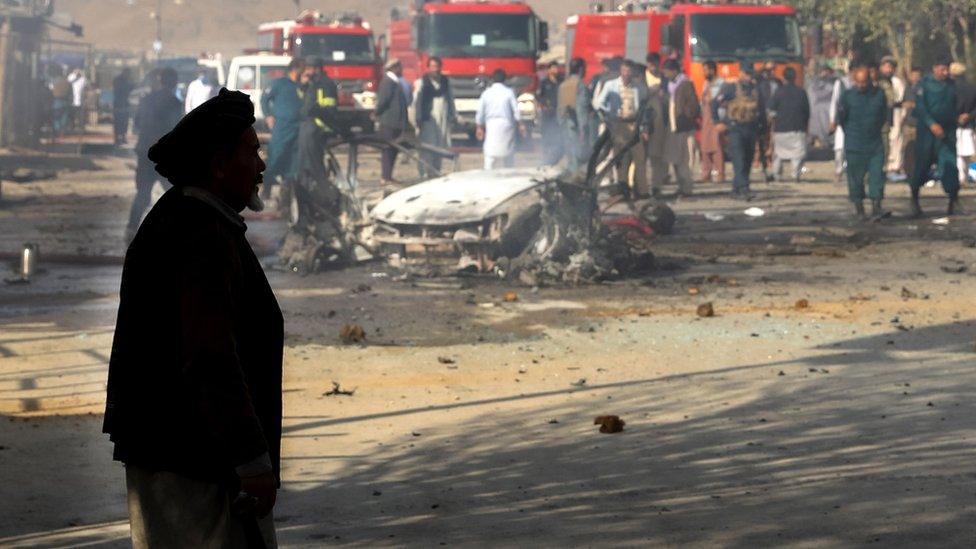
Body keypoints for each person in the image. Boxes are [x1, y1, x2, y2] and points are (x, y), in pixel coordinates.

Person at [104, 89, 281, 549]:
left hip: (192, 453)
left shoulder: (197, 220)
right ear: (219, 164)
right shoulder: (198, 234)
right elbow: (209, 356)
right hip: (190, 460)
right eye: (251, 151)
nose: (260, 167)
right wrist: (252, 459)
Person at [126, 68, 184, 242]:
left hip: (144, 153)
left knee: (143, 194)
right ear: (174, 83)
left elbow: (136, 123)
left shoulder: (146, 100)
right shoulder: (174, 102)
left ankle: (130, 230)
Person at [836, 66, 890, 220]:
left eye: (864, 82)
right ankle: (859, 209)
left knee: (877, 175)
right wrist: (852, 133)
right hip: (854, 143)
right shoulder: (847, 96)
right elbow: (842, 118)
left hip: (875, 143)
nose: (861, 85)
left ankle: (876, 207)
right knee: (855, 179)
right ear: (854, 80)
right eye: (858, 82)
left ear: (870, 80)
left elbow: (882, 116)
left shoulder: (879, 95)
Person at [910, 57, 960, 216]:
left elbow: (956, 105)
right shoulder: (924, 85)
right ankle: (915, 199)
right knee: (921, 166)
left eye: (947, 69)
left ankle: (953, 201)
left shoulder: (952, 85)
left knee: (950, 166)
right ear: (934, 68)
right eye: (942, 69)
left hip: (947, 134)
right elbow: (920, 108)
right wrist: (932, 124)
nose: (945, 72)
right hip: (927, 134)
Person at [596, 60, 652, 198]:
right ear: (621, 71)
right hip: (619, 126)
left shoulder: (639, 87)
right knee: (622, 160)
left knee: (639, 159)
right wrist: (611, 116)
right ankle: (623, 190)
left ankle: (642, 191)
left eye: (629, 71)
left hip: (635, 125)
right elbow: (599, 104)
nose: (627, 74)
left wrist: (644, 128)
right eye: (624, 70)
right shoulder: (611, 85)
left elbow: (644, 109)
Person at [713, 63, 767, 200]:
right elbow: (715, 103)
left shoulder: (755, 90)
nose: (749, 77)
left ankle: (736, 189)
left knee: (748, 159)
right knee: (739, 158)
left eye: (751, 74)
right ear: (741, 73)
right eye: (747, 74)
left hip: (751, 128)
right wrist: (717, 122)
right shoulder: (731, 88)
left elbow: (761, 111)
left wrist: (763, 129)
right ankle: (744, 188)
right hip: (735, 128)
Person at [260, 58, 305, 201]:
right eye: (302, 70)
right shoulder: (280, 84)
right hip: (282, 126)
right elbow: (265, 99)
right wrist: (268, 116)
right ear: (295, 69)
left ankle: (287, 192)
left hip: (298, 127)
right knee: (276, 155)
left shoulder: (302, 86)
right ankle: (266, 189)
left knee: (294, 160)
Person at [297, 57, 341, 194]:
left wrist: (314, 109)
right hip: (309, 125)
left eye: (309, 69)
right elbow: (301, 102)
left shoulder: (326, 84)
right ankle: (304, 184)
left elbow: (330, 111)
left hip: (322, 126)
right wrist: (302, 86)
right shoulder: (311, 84)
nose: (307, 72)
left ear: (317, 69)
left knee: (312, 156)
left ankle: (322, 186)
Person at [661, 59, 700, 195]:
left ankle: (687, 187)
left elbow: (693, 105)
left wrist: (685, 115)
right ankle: (681, 186)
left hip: (683, 127)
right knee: (675, 159)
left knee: (684, 159)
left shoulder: (685, 84)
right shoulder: (670, 84)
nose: (665, 75)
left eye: (667, 71)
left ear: (674, 71)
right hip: (673, 127)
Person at [414, 56, 456, 178]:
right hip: (428, 119)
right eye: (432, 67)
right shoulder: (422, 83)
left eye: (437, 67)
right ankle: (424, 172)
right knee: (427, 145)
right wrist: (418, 119)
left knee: (440, 145)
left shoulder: (445, 82)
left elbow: (450, 99)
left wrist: (453, 115)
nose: (435, 69)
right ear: (428, 68)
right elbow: (417, 103)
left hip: (442, 119)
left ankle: (436, 171)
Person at [769, 66, 810, 182]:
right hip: (797, 128)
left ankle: (777, 174)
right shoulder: (801, 92)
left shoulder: (778, 92)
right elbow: (807, 112)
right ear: (795, 77)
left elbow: (771, 110)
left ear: (783, 78)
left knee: (778, 154)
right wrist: (806, 127)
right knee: (797, 154)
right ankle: (795, 174)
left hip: (780, 128)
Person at [476, 68, 523, 170]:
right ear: (505, 79)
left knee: (490, 155)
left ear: (492, 79)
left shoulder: (486, 93)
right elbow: (516, 110)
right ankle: (509, 173)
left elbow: (480, 112)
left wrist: (479, 127)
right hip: (507, 125)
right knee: (508, 154)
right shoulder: (509, 92)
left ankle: (488, 174)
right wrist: (520, 125)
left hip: (491, 126)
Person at [375, 58, 409, 185]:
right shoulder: (387, 82)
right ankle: (385, 176)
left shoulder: (395, 82)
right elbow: (383, 101)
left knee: (394, 149)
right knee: (388, 149)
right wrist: (376, 113)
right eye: (400, 67)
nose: (402, 70)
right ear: (394, 68)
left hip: (397, 122)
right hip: (389, 122)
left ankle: (389, 176)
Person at [557, 57, 591, 172]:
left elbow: (559, 108)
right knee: (579, 154)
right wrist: (583, 128)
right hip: (576, 124)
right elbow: (581, 108)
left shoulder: (563, 85)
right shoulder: (580, 85)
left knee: (570, 154)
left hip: (564, 124)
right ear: (581, 69)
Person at [644, 52, 669, 195]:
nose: (653, 68)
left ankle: (656, 185)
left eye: (656, 65)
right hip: (645, 121)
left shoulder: (664, 79)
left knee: (657, 156)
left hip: (660, 122)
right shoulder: (642, 79)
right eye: (651, 65)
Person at [879, 56, 908, 180]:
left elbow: (901, 100)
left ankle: (895, 166)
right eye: (886, 67)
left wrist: (903, 116)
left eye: (890, 67)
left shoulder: (897, 82)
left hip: (896, 114)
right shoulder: (878, 82)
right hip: (882, 115)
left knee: (896, 138)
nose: (888, 70)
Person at [700, 60, 726, 183]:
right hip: (705, 118)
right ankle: (706, 173)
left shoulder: (721, 84)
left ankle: (720, 173)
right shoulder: (705, 83)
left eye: (705, 70)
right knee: (705, 146)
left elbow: (721, 101)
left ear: (712, 70)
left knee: (716, 145)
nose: (704, 73)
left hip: (716, 118)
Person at [951, 62, 976, 187]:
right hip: (969, 124)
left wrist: (956, 117)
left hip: (953, 124)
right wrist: (969, 115)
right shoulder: (972, 88)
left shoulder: (949, 88)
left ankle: (960, 178)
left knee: (957, 153)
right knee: (965, 154)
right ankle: (964, 177)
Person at [756, 61, 780, 180]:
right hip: (763, 113)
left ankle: (771, 159)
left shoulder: (778, 82)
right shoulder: (760, 83)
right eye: (768, 70)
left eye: (772, 70)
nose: (771, 72)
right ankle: (759, 160)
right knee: (761, 138)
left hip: (775, 113)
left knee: (773, 138)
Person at [537, 61, 564, 165]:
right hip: (548, 114)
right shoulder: (544, 83)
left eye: (556, 68)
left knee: (558, 135)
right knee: (546, 135)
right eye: (553, 68)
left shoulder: (561, 82)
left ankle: (555, 158)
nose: (555, 70)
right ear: (548, 70)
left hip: (558, 113)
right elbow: (539, 96)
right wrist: (545, 104)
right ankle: (545, 158)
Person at [829, 69, 853, 183]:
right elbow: (835, 101)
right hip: (841, 120)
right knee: (839, 148)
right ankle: (839, 170)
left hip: (855, 122)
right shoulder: (840, 83)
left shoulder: (863, 85)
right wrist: (832, 119)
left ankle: (850, 171)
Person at [806, 64, 836, 148]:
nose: (824, 74)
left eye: (826, 71)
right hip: (818, 113)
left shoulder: (834, 85)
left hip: (825, 114)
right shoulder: (813, 85)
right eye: (823, 71)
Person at [112, 68, 134, 146]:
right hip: (119, 104)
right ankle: (117, 138)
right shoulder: (118, 80)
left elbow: (131, 89)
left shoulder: (127, 81)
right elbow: (119, 90)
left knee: (125, 122)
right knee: (118, 122)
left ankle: (123, 137)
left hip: (125, 103)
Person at [50, 68, 72, 135]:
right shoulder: (67, 81)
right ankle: (62, 130)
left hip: (57, 101)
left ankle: (58, 130)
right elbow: (70, 91)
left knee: (56, 117)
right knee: (64, 117)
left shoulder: (53, 81)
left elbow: (51, 90)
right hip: (66, 101)